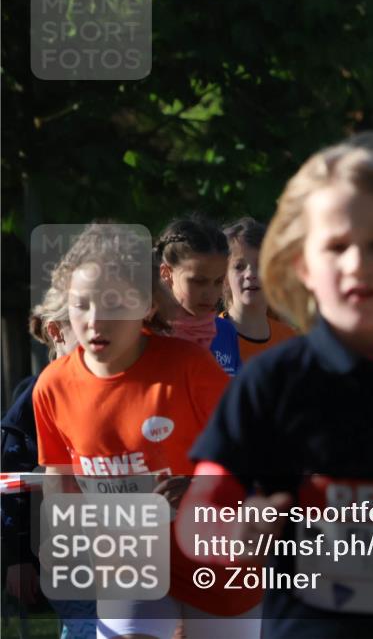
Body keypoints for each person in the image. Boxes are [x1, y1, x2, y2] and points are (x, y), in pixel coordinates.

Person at [178, 134, 373, 638]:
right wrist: (240, 531)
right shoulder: (271, 382)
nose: (356, 264)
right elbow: (200, 516)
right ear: (302, 265)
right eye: (336, 246)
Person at [31, 222, 261, 639]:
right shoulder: (52, 385)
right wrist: (58, 536)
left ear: (147, 305)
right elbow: (59, 472)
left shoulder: (190, 368)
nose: (96, 321)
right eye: (82, 305)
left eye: (115, 303)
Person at [2, 286, 97, 639]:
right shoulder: (33, 397)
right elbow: (11, 477)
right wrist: (18, 558)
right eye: (81, 320)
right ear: (55, 332)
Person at [156, 215, 242, 375]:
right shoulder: (146, 336)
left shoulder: (225, 331)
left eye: (218, 281)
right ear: (166, 273)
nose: (209, 294)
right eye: (198, 281)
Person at [219, 216, 297, 363]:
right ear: (223, 277)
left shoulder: (290, 340)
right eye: (239, 267)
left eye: (260, 265)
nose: (250, 274)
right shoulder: (210, 336)